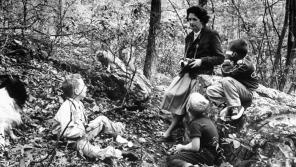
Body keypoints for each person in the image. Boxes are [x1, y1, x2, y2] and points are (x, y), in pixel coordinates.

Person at [160, 5, 224, 141]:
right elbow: (188, 54)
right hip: (187, 73)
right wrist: (184, 61)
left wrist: (202, 61)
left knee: (189, 105)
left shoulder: (212, 35)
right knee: (169, 94)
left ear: (202, 20)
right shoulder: (189, 37)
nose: (191, 23)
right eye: (189, 20)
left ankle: (171, 131)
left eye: (194, 19)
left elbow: (220, 58)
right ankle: (176, 122)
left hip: (202, 76)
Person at [52, 74, 125, 159]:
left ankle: (118, 131)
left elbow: (81, 122)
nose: (86, 87)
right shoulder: (66, 107)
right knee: (90, 150)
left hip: (82, 134)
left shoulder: (79, 103)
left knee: (102, 119)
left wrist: (88, 128)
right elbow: (65, 132)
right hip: (70, 141)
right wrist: (82, 131)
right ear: (76, 91)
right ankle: (114, 153)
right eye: (83, 86)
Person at [206, 39, 259, 121]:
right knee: (211, 90)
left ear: (234, 54)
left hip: (248, 92)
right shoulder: (237, 60)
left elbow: (226, 73)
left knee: (226, 80)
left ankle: (236, 107)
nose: (227, 53)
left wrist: (226, 59)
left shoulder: (245, 65)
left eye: (229, 52)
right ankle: (226, 105)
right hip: (236, 90)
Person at [167, 93, 219, 167]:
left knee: (172, 160)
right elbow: (198, 143)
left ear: (188, 107)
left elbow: (195, 147)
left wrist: (182, 147)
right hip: (210, 154)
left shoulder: (195, 124)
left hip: (204, 155)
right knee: (178, 154)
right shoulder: (205, 120)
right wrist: (181, 147)